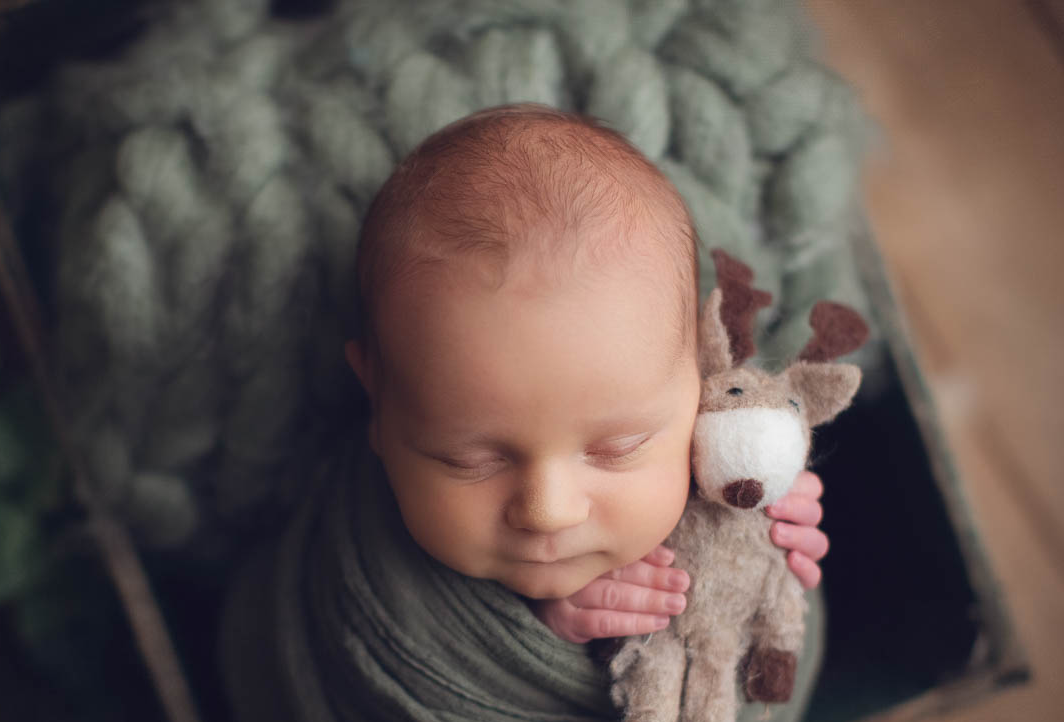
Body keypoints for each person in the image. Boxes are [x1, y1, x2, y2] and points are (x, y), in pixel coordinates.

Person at [345, 104, 829, 646]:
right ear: (378, 398)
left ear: (699, 378)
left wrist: (766, 551)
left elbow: (764, 706)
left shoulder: (720, 461)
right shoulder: (360, 554)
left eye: (618, 447)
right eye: (470, 460)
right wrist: (537, 633)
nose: (547, 511)